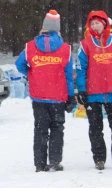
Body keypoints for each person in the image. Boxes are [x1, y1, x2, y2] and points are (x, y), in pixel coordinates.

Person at [15, 10, 75, 172]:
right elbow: (69, 76)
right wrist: (71, 96)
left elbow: (19, 64)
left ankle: (39, 164)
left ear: (43, 27)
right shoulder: (65, 49)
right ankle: (55, 161)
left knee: (40, 130)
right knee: (57, 128)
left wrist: (32, 74)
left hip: (39, 96)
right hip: (58, 96)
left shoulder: (30, 47)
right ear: (58, 29)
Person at [76, 10, 112, 170]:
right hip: (93, 92)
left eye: (97, 23)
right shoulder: (85, 44)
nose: (95, 26)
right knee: (95, 128)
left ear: (105, 23)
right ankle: (99, 159)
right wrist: (81, 89)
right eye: (92, 24)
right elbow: (81, 68)